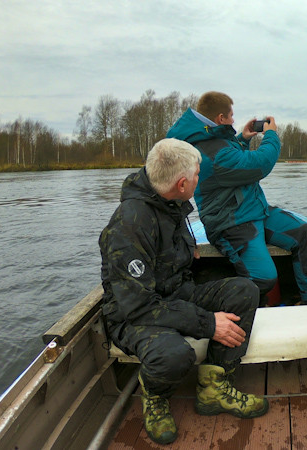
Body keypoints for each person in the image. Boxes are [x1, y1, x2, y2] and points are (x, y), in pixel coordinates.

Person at [99, 138, 268, 445]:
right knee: (175, 355)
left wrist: (186, 251)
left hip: (174, 294)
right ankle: (154, 396)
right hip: (132, 316)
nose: (199, 179)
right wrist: (208, 323)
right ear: (180, 184)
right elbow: (138, 305)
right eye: (196, 175)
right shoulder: (129, 225)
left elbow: (168, 255)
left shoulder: (167, 202)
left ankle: (214, 388)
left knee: (244, 290)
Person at [166, 91, 307, 305]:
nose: (233, 121)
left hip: (255, 211)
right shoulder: (210, 151)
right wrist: (271, 135)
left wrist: (243, 138)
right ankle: (216, 300)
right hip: (231, 223)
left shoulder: (210, 139)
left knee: (303, 234)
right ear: (220, 119)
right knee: (264, 278)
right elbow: (260, 163)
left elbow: (232, 159)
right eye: (231, 116)